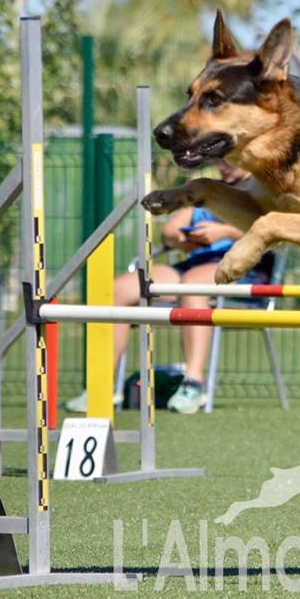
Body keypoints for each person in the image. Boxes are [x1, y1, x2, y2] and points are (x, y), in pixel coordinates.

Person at [66, 159, 273, 414]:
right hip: (193, 267)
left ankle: (193, 384)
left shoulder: (263, 189)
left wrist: (225, 232)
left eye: (228, 159)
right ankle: (100, 387)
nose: (223, 165)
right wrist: (182, 238)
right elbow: (170, 230)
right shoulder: (207, 189)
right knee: (118, 289)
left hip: (242, 272)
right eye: (219, 160)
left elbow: (271, 231)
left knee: (192, 287)